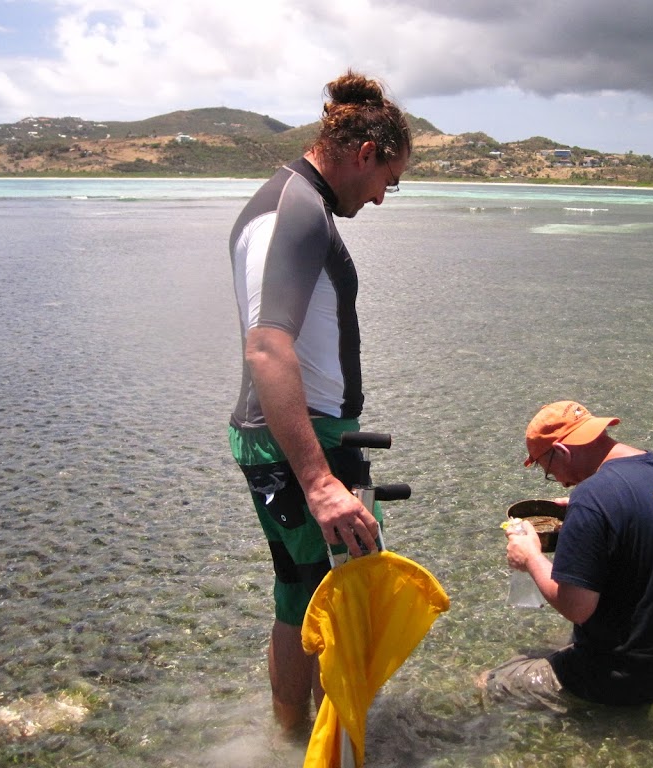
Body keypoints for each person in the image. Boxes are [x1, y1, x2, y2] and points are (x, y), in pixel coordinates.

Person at [227, 70, 412, 731]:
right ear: (366, 154)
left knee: (302, 592)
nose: (384, 198)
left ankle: (294, 739)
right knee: (324, 596)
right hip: (299, 444)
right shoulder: (294, 210)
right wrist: (319, 480)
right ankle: (322, 742)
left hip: (297, 437)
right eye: (389, 180)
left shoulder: (296, 204)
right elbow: (268, 349)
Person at [482, 400, 653, 711]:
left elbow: (577, 608)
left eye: (549, 470)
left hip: (624, 677)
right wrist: (584, 518)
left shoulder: (593, 498)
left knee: (491, 683)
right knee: (554, 648)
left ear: (562, 451)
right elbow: (638, 531)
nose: (561, 482)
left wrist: (531, 557)